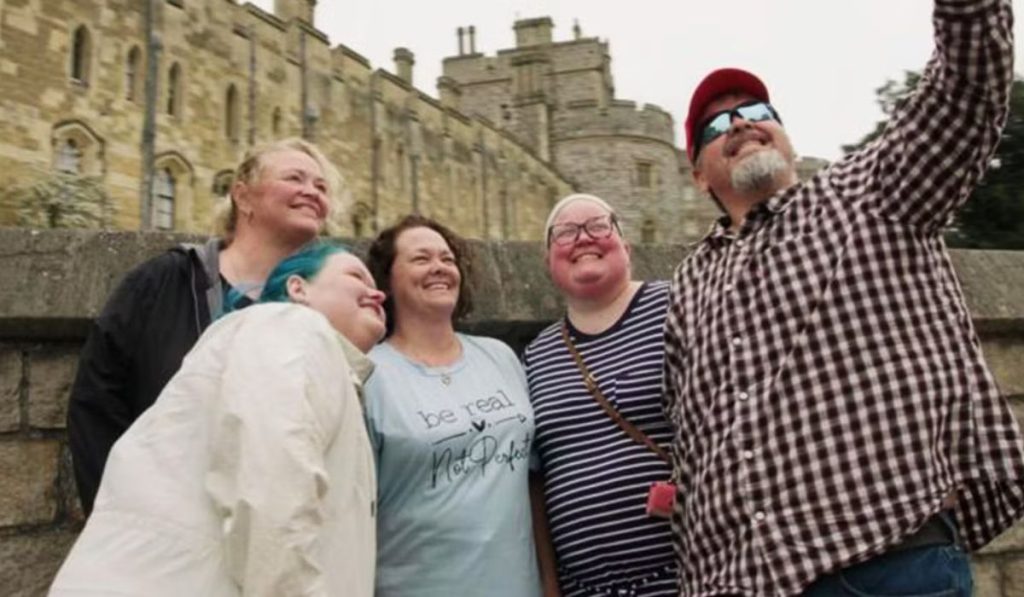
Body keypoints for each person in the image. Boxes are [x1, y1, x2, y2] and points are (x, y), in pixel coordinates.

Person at [663, 2, 1024, 595]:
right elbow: (690, 436)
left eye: (756, 111)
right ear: (698, 174)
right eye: (715, 126)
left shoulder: (869, 194)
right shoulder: (690, 284)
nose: (740, 125)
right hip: (739, 581)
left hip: (885, 563)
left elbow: (966, 92)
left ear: (784, 133)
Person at [50, 242, 387, 596]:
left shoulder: (323, 367)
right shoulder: (289, 326)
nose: (377, 293)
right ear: (297, 288)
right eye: (356, 276)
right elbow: (272, 488)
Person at [67, 138, 344, 514]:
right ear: (243, 197)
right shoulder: (168, 281)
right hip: (168, 532)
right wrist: (122, 519)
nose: (311, 191)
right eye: (295, 178)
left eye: (321, 186)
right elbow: (96, 402)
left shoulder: (325, 306)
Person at [364, 214, 543, 597]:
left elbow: (532, 484)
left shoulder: (500, 358)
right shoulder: (368, 374)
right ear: (388, 280)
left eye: (447, 258)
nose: (439, 268)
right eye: (420, 259)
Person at [523, 193, 678, 596]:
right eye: (565, 233)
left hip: (685, 576)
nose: (582, 238)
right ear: (547, 262)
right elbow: (537, 480)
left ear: (626, 247)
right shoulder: (538, 354)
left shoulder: (676, 305)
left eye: (598, 226)